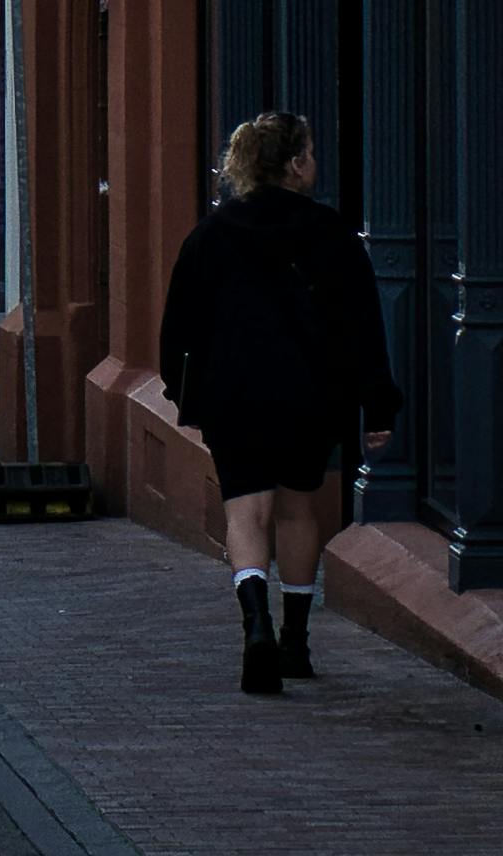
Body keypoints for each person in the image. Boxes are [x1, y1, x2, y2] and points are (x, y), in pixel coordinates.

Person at [153, 109, 399, 695]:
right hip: (309, 392)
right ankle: (295, 641)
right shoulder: (328, 231)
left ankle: (254, 621)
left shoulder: (209, 235)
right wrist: (379, 405)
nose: (315, 162)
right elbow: (363, 322)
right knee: (296, 509)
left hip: (232, 394)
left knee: (247, 512)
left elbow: (177, 326)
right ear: (294, 164)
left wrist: (180, 389)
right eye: (310, 152)